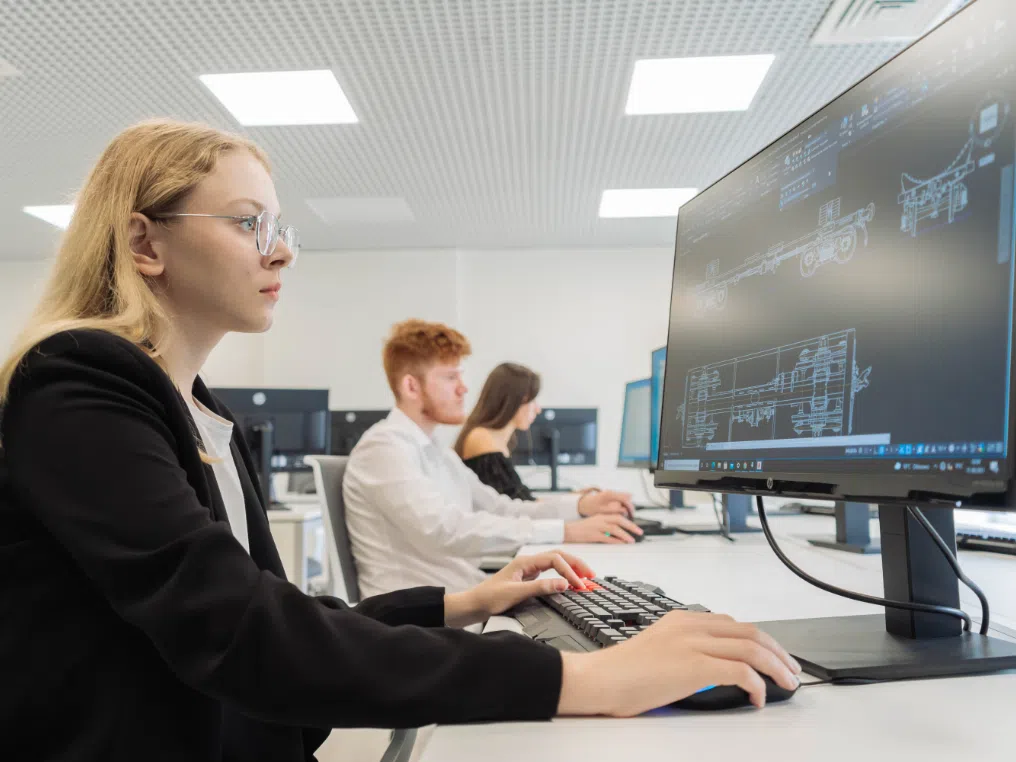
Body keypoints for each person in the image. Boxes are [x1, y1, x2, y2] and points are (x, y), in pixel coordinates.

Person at [0, 119, 800, 762]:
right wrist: (571, 674)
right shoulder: (77, 384)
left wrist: (469, 603)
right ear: (145, 244)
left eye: (280, 227)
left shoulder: (198, 409)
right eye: (250, 225)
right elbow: (239, 628)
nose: (281, 251)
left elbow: (279, 612)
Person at [343, 320, 644, 598]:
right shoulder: (383, 449)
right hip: (423, 621)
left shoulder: (436, 452)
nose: (464, 388)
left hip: (462, 598)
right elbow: (445, 530)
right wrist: (566, 531)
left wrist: (578, 507)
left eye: (461, 375)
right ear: (411, 386)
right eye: (450, 377)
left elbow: (501, 507)